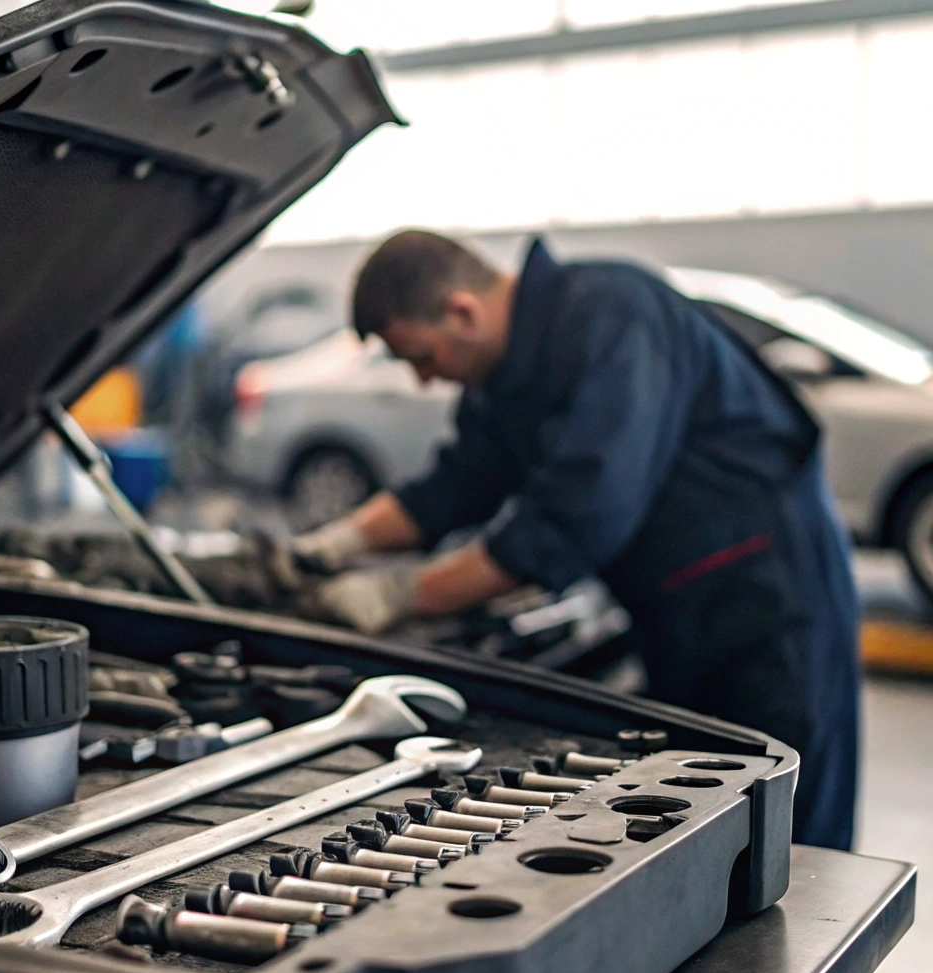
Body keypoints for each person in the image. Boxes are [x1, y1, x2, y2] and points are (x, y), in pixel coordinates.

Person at [288, 231, 859, 851]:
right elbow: (454, 485)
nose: (424, 380)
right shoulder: (506, 370)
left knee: (789, 835)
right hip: (676, 610)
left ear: (462, 312)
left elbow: (574, 520)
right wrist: (330, 547)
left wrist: (397, 596)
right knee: (704, 825)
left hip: (771, 605)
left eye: (420, 357)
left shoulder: (614, 315)